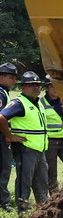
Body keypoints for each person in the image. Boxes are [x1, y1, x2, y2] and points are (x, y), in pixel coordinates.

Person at [0, 71, 49, 213]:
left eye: (37, 85)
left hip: (40, 149)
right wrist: (9, 135)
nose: (35, 88)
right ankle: (23, 212)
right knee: (24, 182)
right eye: (31, 85)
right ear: (23, 87)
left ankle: (43, 211)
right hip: (25, 149)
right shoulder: (19, 103)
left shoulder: (38, 103)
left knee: (42, 182)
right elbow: (2, 117)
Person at [42, 76, 63, 192]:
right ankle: (54, 198)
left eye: (58, 86)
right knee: (52, 173)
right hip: (51, 142)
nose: (56, 89)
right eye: (52, 86)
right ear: (47, 88)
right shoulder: (41, 104)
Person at [0, 62, 17, 210]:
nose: (14, 80)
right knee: (4, 168)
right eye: (11, 77)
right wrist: (8, 135)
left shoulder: (3, 92)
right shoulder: (0, 93)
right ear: (1, 77)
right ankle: (3, 202)